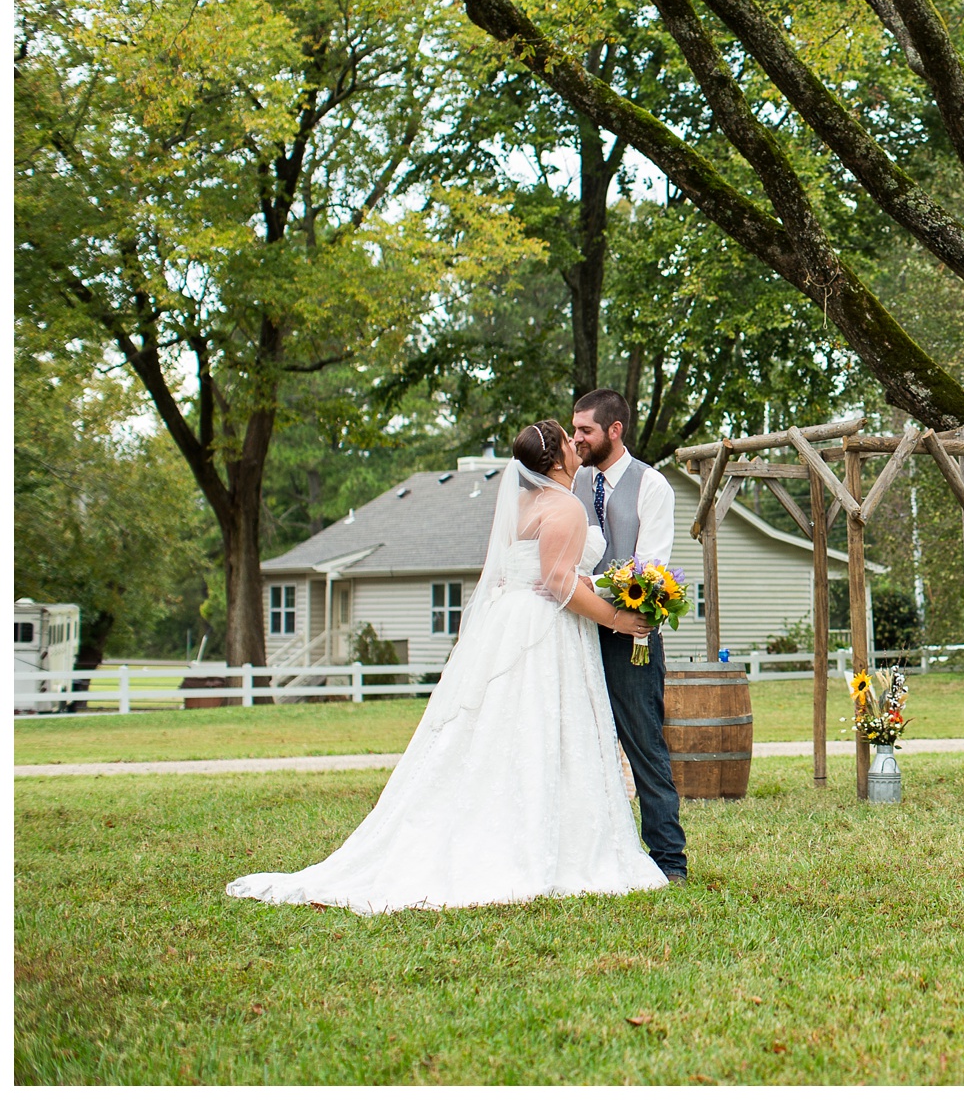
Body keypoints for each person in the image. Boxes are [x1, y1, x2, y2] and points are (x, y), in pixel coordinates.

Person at [226, 421, 668, 914]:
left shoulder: (524, 507)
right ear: (558, 459)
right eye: (568, 438)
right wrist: (618, 618)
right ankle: (546, 843)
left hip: (512, 621)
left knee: (506, 729)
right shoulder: (563, 505)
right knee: (542, 726)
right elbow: (559, 581)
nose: (575, 443)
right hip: (545, 628)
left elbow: (515, 572)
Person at [570, 388, 688, 883]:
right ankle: (590, 856)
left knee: (644, 745)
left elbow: (648, 566)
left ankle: (668, 860)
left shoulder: (651, 485)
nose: (576, 439)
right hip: (573, 633)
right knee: (578, 743)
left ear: (614, 431)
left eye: (585, 431)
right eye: (574, 430)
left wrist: (581, 590)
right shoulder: (573, 480)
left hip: (632, 634)